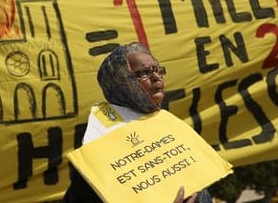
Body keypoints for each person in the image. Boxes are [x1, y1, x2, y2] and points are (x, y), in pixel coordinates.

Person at [62, 42, 212, 203]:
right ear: (120, 82)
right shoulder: (98, 140)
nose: (156, 77)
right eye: (143, 73)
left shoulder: (168, 126)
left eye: (157, 69)